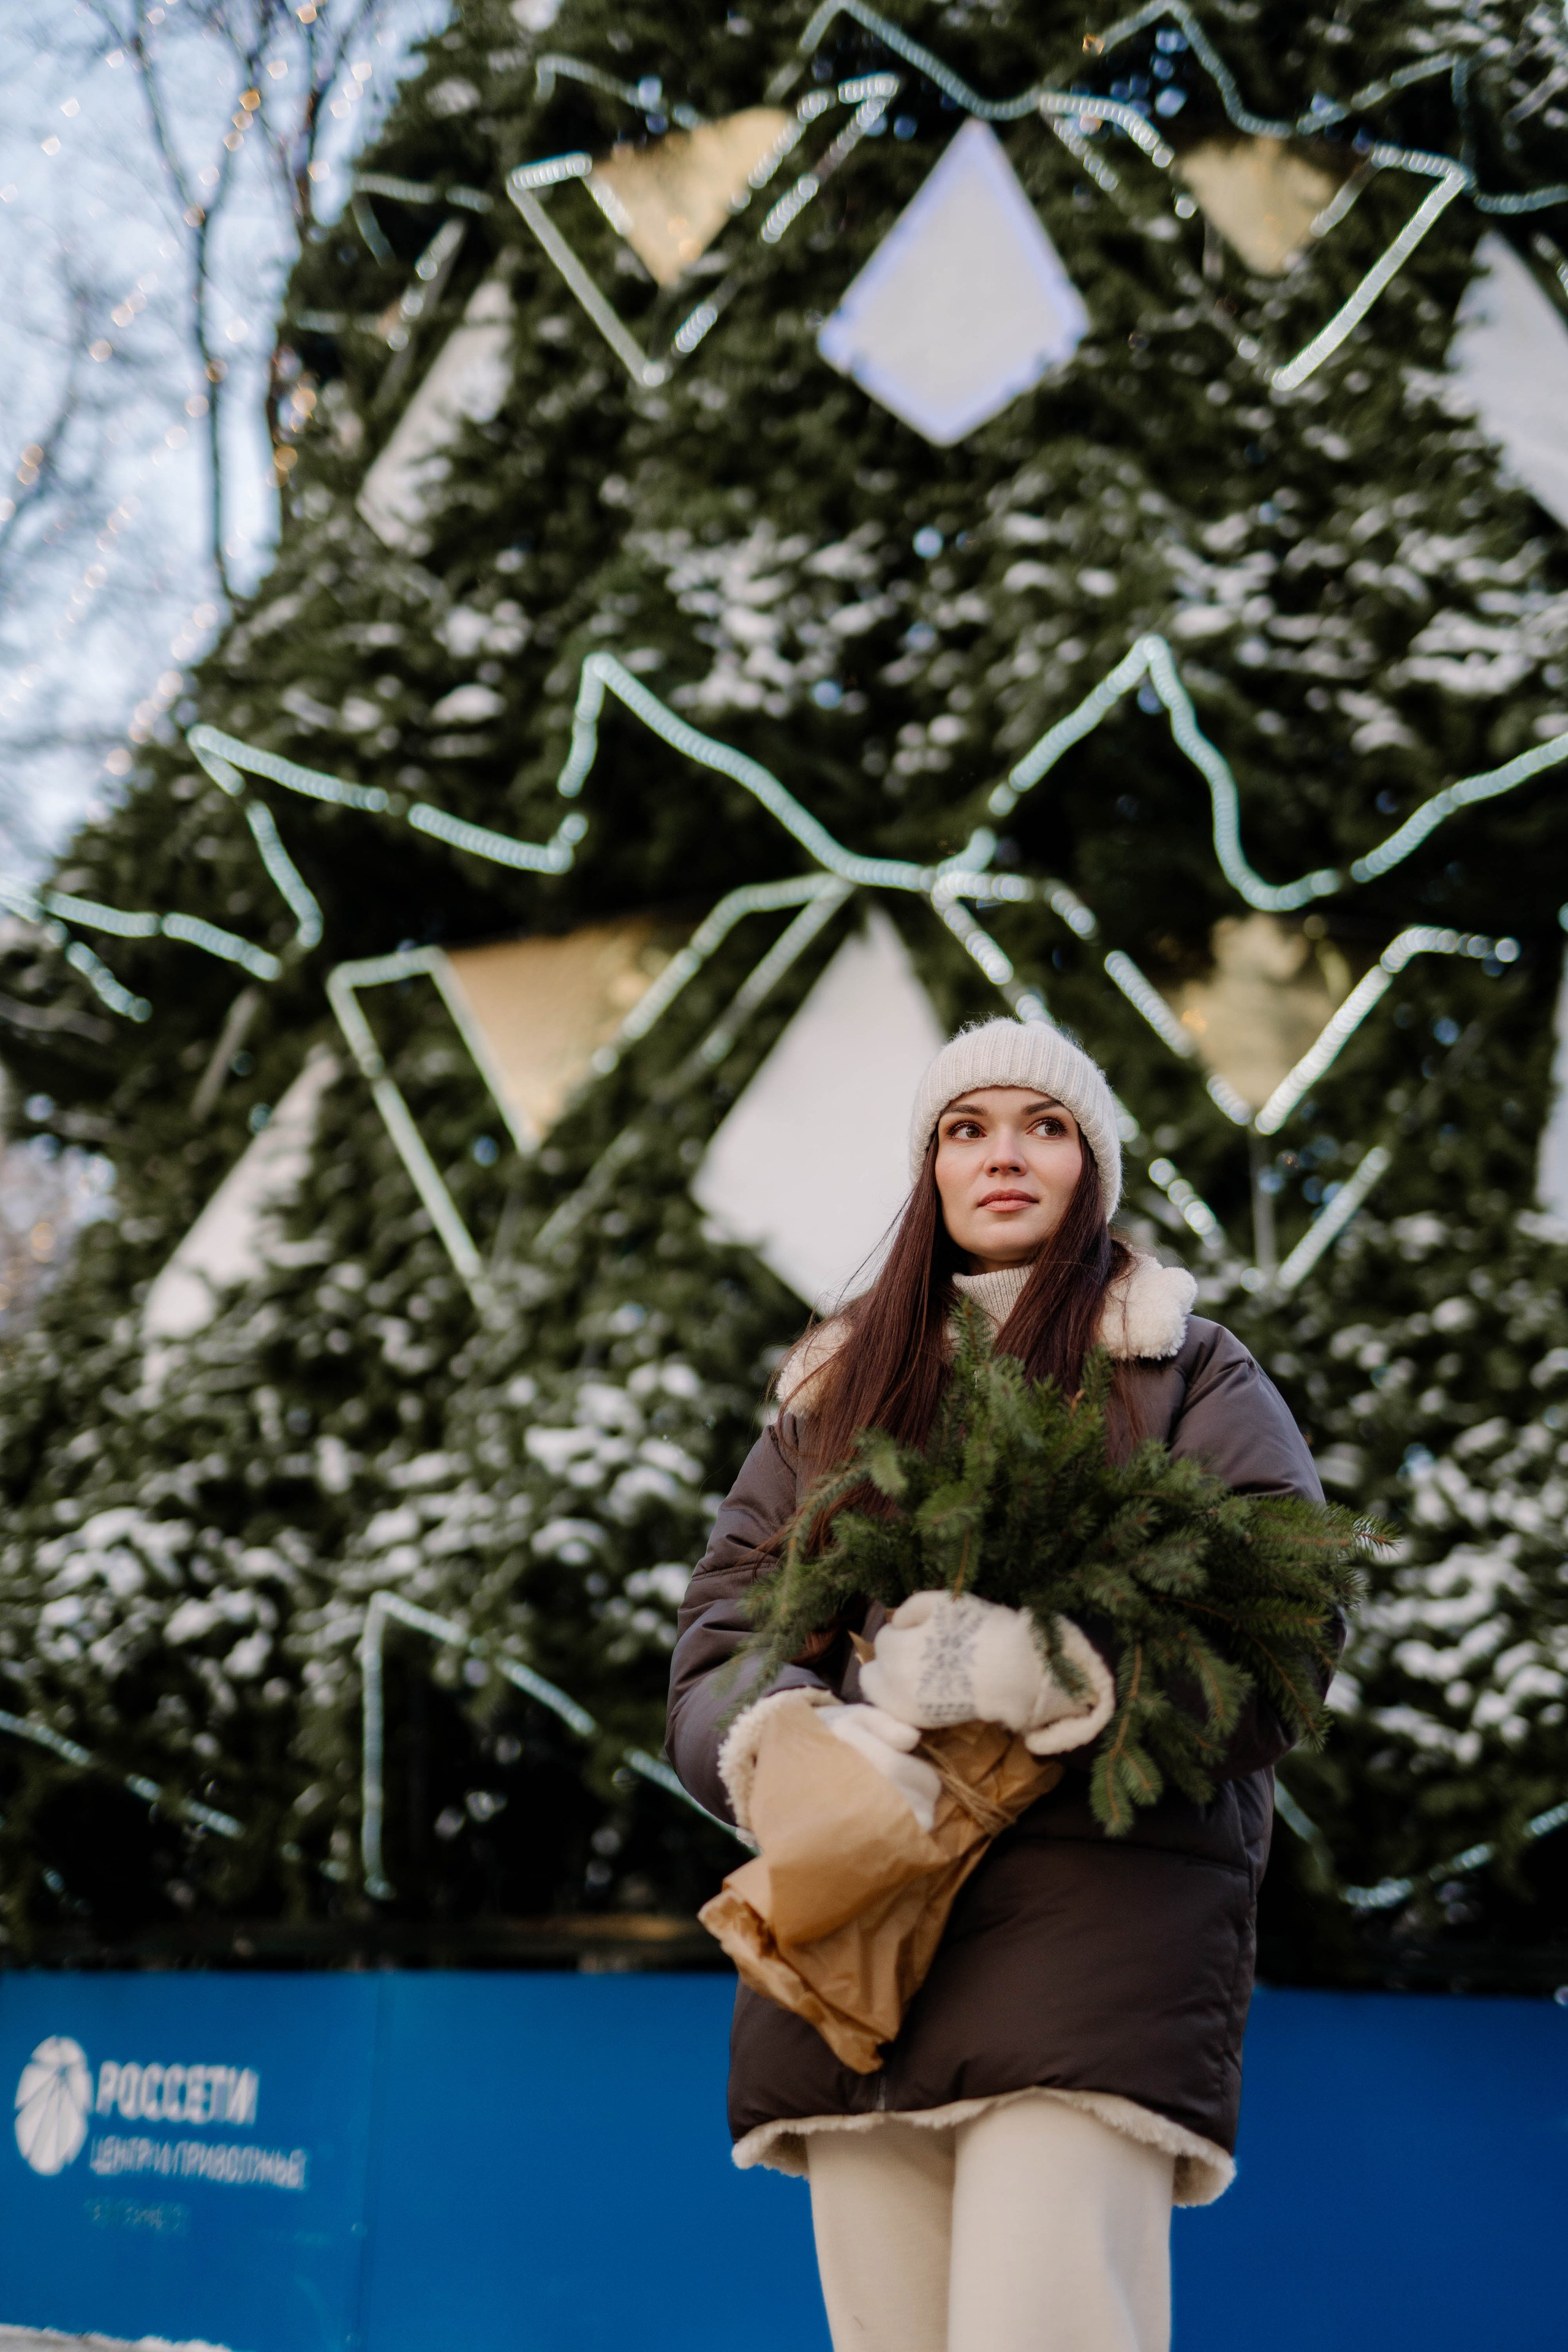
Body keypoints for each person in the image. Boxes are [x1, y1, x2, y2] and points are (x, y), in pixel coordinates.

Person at [668, 1017, 1332, 2352]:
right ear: (929, 1173)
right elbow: (722, 1629)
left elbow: (1282, 1632)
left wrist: (1060, 1669)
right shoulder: (829, 1397)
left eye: (1042, 1125)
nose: (1001, 1156)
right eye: (964, 1130)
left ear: (1093, 1164)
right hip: (861, 1939)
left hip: (1096, 1929)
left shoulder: (1186, 1365)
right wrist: (786, 1746)